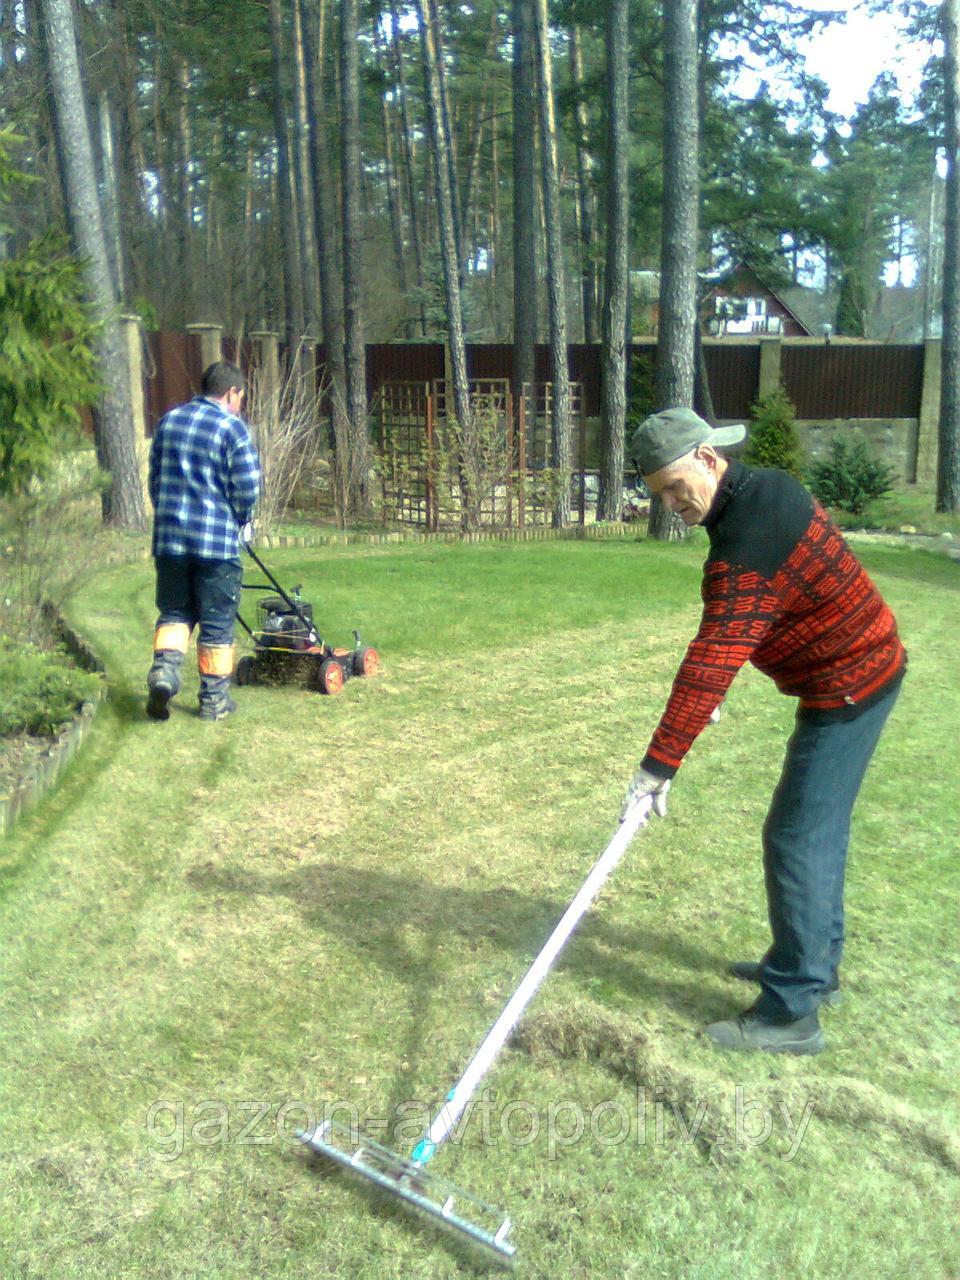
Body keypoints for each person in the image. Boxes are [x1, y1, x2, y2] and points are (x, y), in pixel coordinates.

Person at [622, 407, 906, 1056]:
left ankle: (791, 1013)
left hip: (851, 685)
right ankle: (812, 970)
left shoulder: (746, 540)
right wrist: (723, 675)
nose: (671, 504)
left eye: (675, 485)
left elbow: (711, 656)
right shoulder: (767, 490)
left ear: (708, 457)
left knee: (796, 837)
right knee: (815, 832)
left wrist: (657, 766)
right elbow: (767, 613)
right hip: (862, 667)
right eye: (658, 494)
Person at [146, 360, 260, 722]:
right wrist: (243, 519)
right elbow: (248, 488)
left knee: (175, 613)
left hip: (170, 542)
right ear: (232, 393)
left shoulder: (169, 422)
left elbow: (155, 481)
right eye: (241, 396)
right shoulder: (232, 429)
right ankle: (213, 701)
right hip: (215, 548)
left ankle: (164, 672)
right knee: (216, 623)